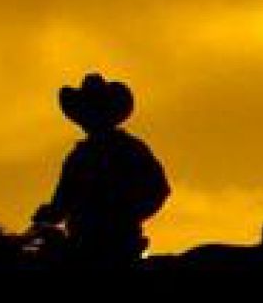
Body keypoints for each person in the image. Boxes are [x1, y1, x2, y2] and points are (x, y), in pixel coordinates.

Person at [29, 72, 169, 268]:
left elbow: (158, 189)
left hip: (117, 243)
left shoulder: (125, 149)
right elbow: (62, 201)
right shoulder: (80, 156)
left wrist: (122, 215)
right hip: (82, 241)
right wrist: (50, 213)